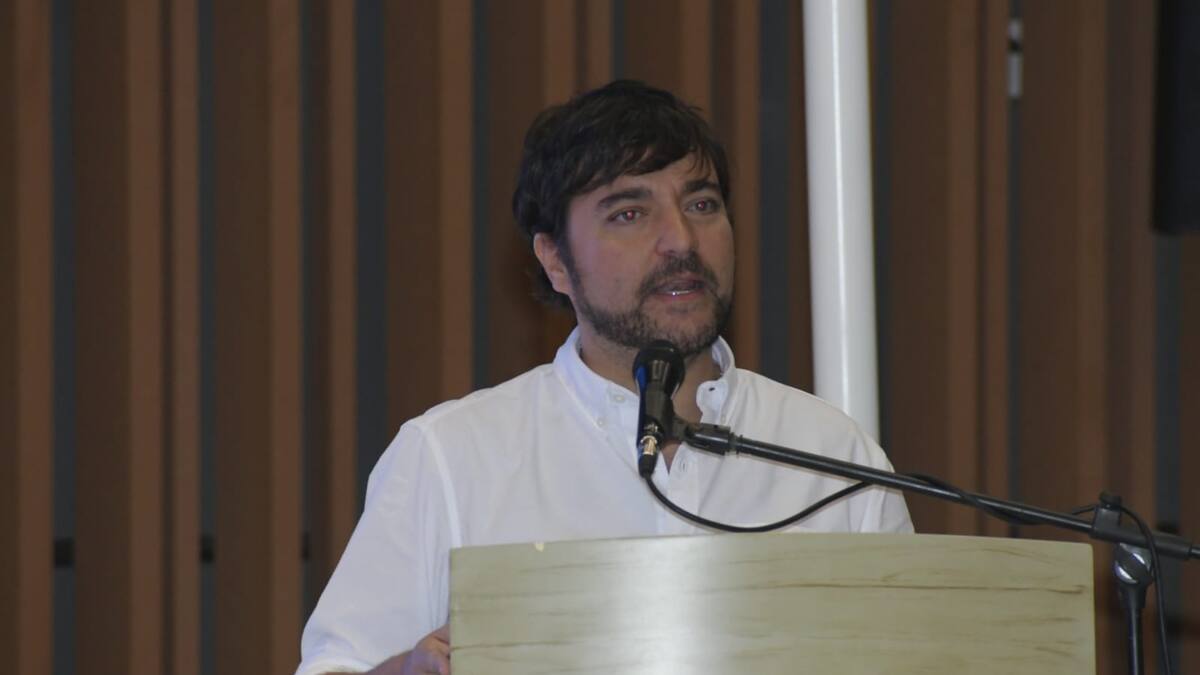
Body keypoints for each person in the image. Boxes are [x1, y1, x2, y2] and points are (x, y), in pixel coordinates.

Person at [296, 80, 912, 675]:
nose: (681, 240)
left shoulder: (834, 458)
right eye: (629, 213)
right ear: (555, 260)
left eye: (701, 204)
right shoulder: (453, 457)